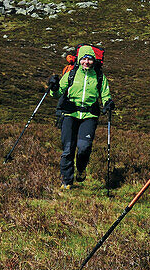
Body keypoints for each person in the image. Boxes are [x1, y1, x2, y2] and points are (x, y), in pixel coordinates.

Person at [47, 45, 114, 188]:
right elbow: (58, 93)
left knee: (84, 147)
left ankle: (81, 169)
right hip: (70, 113)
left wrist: (108, 103)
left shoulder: (100, 77)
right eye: (84, 59)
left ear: (94, 61)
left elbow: (105, 95)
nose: (86, 62)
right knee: (68, 149)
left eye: (89, 59)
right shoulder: (71, 74)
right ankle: (66, 181)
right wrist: (53, 87)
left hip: (89, 115)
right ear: (79, 60)